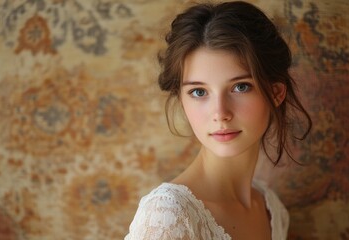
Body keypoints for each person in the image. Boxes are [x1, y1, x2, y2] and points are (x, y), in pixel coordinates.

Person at [125, 1, 311, 239]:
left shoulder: (271, 209)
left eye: (240, 87)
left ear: (276, 94)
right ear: (182, 100)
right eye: (199, 92)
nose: (220, 113)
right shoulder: (168, 216)